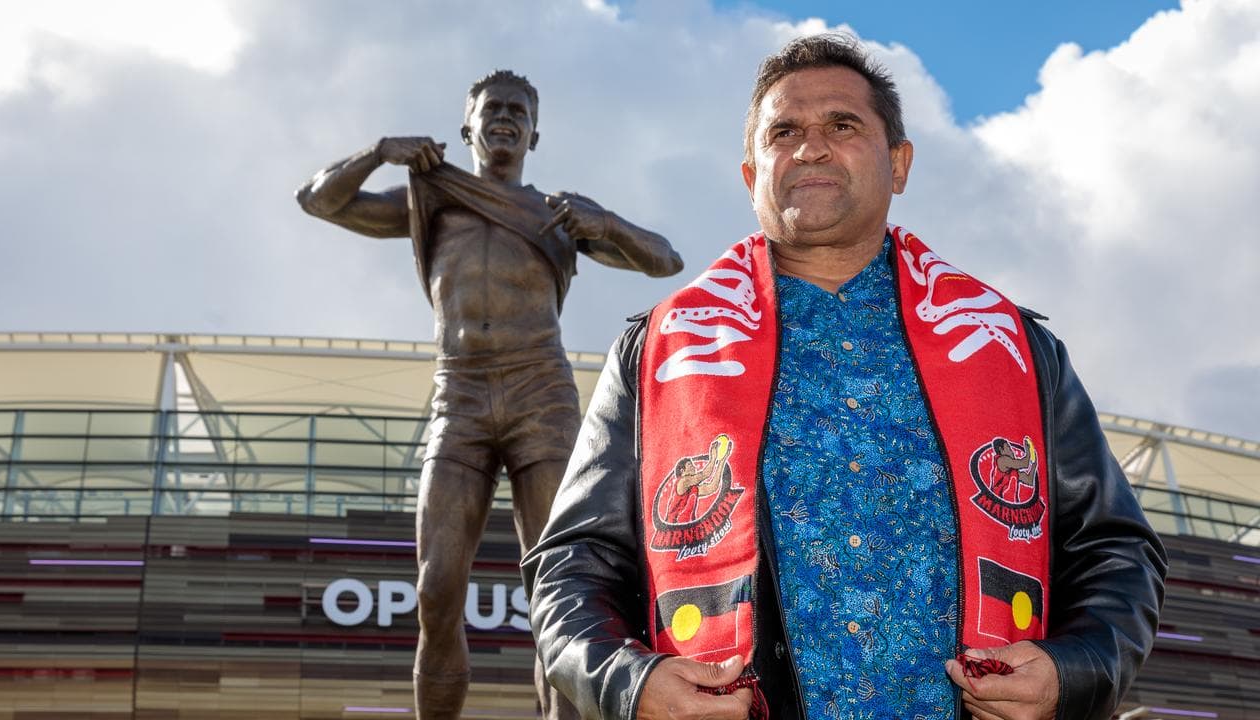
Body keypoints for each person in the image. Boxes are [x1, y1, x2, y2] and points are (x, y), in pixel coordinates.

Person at [521, 34, 1166, 720]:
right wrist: (630, 684)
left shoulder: (1011, 346)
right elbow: (572, 567)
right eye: (785, 131)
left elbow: (1115, 553)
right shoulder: (658, 351)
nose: (811, 147)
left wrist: (1072, 672)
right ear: (751, 175)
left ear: (899, 163)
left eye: (843, 125)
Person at [296, 69, 683, 720]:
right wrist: (378, 151)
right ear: (466, 127)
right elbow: (317, 199)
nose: (505, 117)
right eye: (492, 108)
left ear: (535, 132)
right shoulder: (434, 197)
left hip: (541, 396)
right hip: (461, 396)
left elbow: (664, 261)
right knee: (437, 586)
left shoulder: (557, 215)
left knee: (561, 592)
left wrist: (605, 222)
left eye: (519, 110)